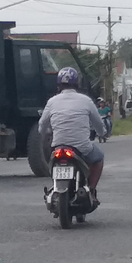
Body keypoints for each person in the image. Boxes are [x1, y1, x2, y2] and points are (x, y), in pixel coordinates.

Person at [38, 67, 107, 203]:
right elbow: (99, 124)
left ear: (58, 85)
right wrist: (102, 133)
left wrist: (48, 131)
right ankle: (91, 190)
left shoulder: (52, 102)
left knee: (51, 159)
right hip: (82, 147)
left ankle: (56, 186)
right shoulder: (85, 100)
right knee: (98, 158)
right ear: (77, 84)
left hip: (58, 146)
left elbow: (42, 127)